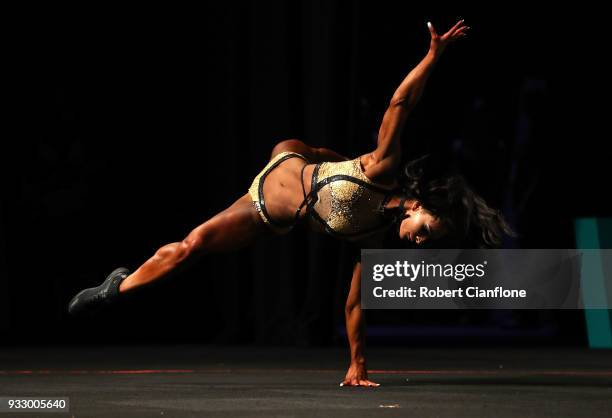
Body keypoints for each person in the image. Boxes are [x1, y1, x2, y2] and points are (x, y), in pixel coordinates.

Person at [68, 19, 515, 387]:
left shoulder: (375, 238)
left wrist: (358, 365)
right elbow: (400, 102)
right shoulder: (384, 171)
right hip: (293, 159)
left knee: (191, 248)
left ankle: (114, 288)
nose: (419, 243)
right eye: (425, 233)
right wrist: (433, 57)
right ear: (418, 206)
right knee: (324, 161)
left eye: (425, 243)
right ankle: (120, 288)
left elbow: (355, 305)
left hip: (265, 209)